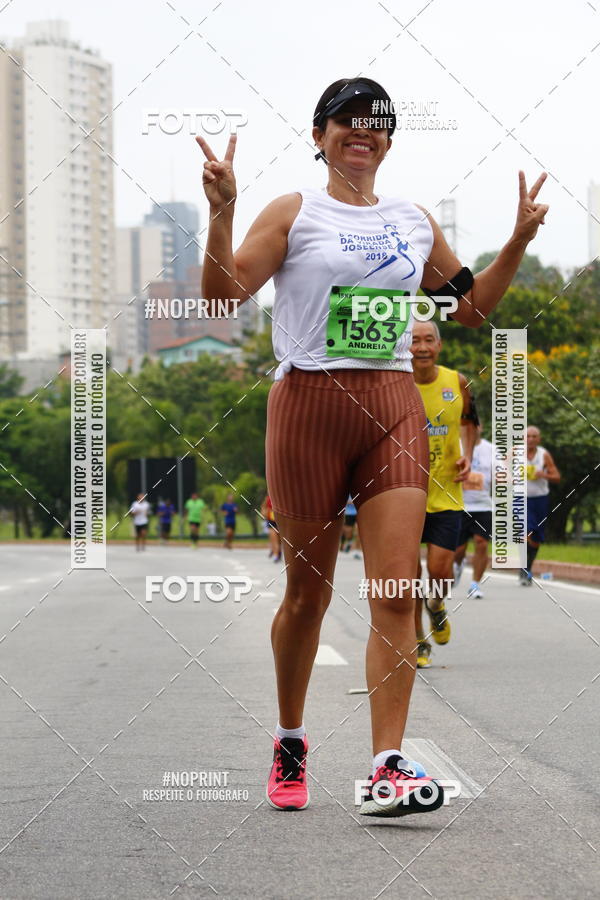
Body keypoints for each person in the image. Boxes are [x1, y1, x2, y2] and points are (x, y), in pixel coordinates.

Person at [198, 75, 549, 816]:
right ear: (320, 134)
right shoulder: (295, 211)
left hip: (391, 406)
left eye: (377, 122)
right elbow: (222, 296)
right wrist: (222, 214)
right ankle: (291, 737)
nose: (363, 131)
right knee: (307, 595)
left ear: (388, 139)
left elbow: (471, 305)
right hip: (308, 406)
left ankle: (387, 765)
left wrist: (516, 240)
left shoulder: (411, 220)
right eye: (347, 121)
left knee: (395, 588)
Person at [411, 321, 478, 668]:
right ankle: (418, 642)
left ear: (439, 345)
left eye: (427, 340)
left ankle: (436, 606)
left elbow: (470, 423)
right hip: (404, 493)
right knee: (407, 576)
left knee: (440, 571)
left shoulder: (457, 382)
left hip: (446, 493)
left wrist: (467, 453)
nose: (421, 347)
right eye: (414, 341)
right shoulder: (395, 383)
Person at [454, 424, 494, 599]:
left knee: (481, 543)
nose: (474, 428)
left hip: (483, 506)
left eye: (476, 425)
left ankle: (475, 584)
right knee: (458, 549)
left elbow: (502, 473)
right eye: (470, 425)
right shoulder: (456, 446)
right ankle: (458, 564)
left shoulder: (491, 449)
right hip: (459, 506)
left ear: (481, 428)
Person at [520, 425, 561, 584]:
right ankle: (524, 570)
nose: (530, 439)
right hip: (521, 498)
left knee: (536, 537)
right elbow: (501, 472)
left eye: (534, 436)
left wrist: (542, 474)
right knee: (526, 531)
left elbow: (556, 476)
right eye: (527, 436)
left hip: (540, 499)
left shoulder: (544, 455)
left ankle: (527, 568)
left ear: (539, 439)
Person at [261, 494, 281, 562]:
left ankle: (277, 552)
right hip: (271, 521)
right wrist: (265, 513)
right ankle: (276, 555)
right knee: (274, 539)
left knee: (279, 540)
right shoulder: (268, 498)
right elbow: (263, 507)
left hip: (279, 521)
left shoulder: (280, 496)